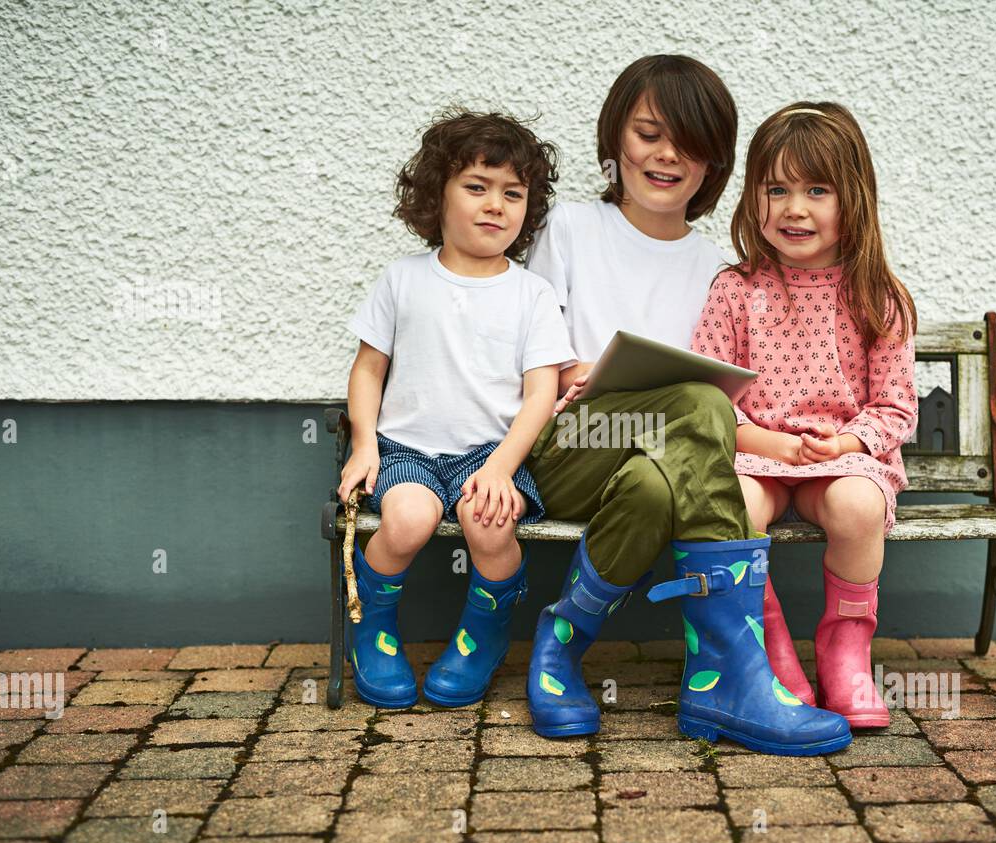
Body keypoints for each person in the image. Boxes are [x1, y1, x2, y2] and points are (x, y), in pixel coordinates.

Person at [522, 56, 851, 755]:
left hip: (656, 463)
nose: (667, 155)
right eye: (648, 134)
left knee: (651, 485)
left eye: (690, 143)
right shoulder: (572, 230)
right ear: (616, 140)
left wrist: (796, 445)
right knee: (697, 404)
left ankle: (559, 644)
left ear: (714, 165)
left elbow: (723, 408)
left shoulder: (717, 270)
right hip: (573, 446)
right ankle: (728, 675)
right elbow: (526, 352)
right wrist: (571, 371)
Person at [690, 102, 919, 728]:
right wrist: (770, 443)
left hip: (842, 457)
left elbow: (896, 406)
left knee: (857, 507)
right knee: (728, 506)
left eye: (817, 189)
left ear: (855, 199)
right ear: (753, 199)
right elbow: (707, 402)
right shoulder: (736, 290)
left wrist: (846, 441)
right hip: (753, 451)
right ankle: (765, 649)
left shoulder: (878, 296)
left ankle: (845, 650)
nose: (795, 208)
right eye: (777, 189)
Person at [337, 109, 574, 709]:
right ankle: (373, 626)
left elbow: (541, 393)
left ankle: (483, 632)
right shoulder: (403, 280)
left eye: (512, 193)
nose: (496, 204)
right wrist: (365, 442)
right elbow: (368, 369)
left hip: (490, 454)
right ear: (435, 194)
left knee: (489, 522)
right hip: (406, 451)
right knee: (409, 520)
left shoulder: (531, 293)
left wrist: (500, 467)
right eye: (477, 187)